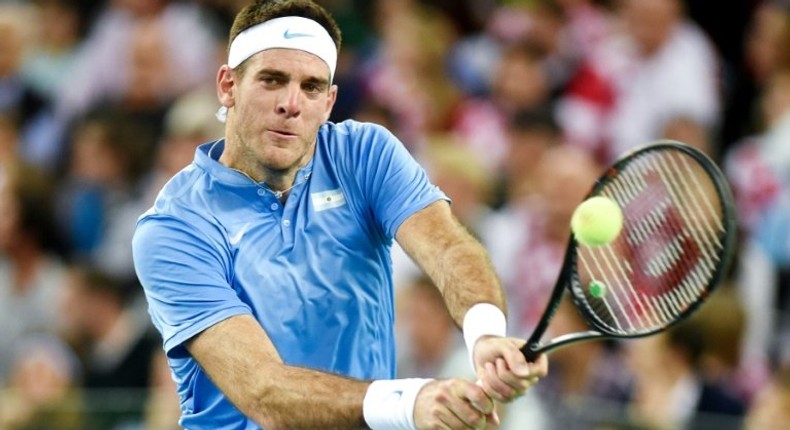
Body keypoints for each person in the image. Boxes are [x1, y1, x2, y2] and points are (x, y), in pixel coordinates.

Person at [131, 1, 548, 429]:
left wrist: (484, 333)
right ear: (228, 85)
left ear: (329, 101)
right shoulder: (175, 228)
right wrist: (410, 402)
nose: (291, 104)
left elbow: (446, 246)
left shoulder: (365, 154)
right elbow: (264, 391)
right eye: (272, 80)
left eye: (311, 87)